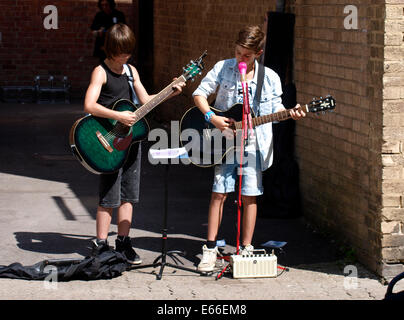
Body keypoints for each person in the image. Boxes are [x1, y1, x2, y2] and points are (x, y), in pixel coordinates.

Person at [192, 25, 306, 272]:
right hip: (224, 141)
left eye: (246, 55)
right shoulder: (223, 68)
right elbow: (199, 94)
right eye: (238, 52)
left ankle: (245, 248)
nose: (241, 58)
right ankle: (210, 249)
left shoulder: (270, 77)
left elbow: (275, 113)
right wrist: (212, 116)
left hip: (254, 144)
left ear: (258, 53)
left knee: (250, 194)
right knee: (219, 192)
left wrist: (290, 114)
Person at [84, 23, 185, 264]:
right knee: (108, 195)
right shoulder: (100, 72)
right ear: (110, 50)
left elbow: (146, 100)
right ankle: (100, 245)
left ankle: (123, 242)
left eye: (128, 52)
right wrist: (118, 116)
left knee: (129, 195)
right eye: (120, 52)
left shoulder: (131, 71)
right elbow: (89, 105)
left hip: (130, 141)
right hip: (107, 141)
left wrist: (170, 92)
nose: (124, 57)